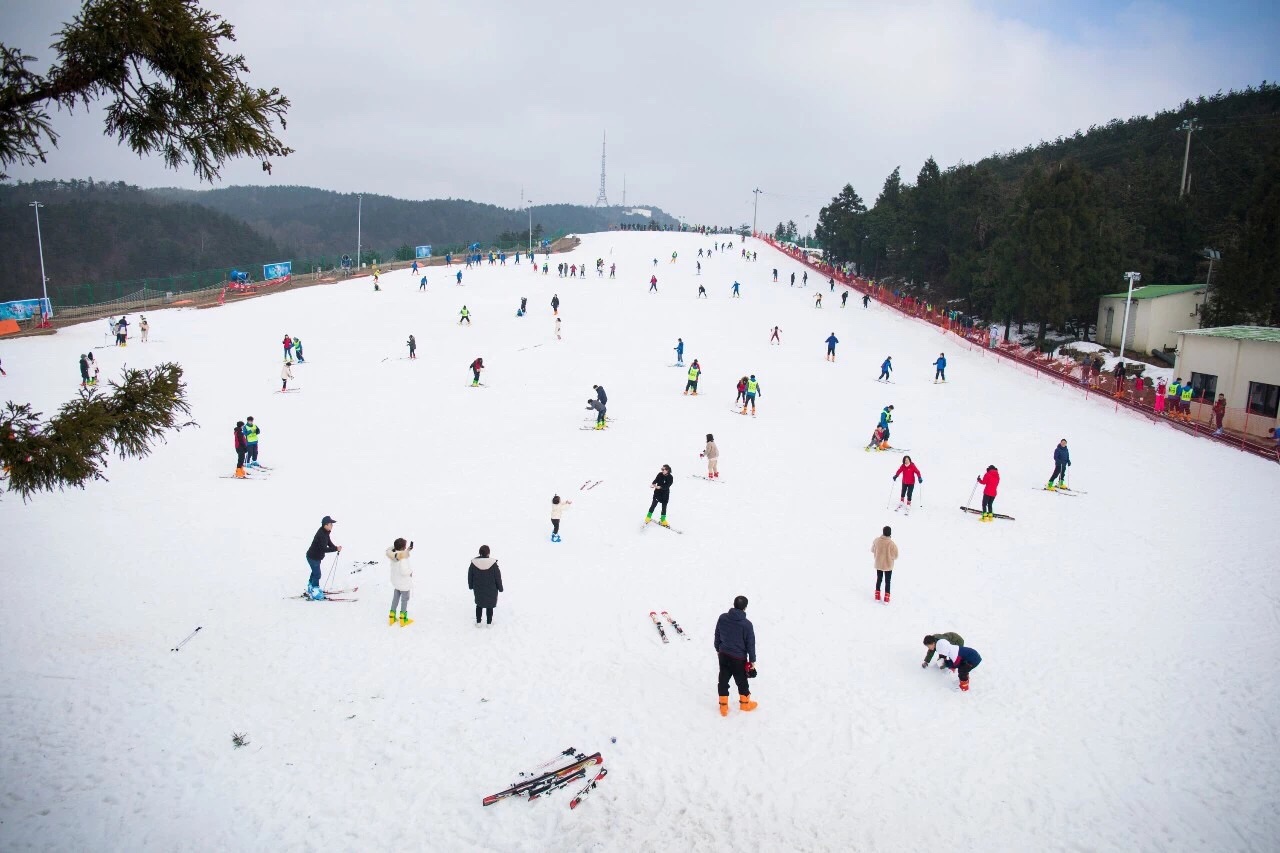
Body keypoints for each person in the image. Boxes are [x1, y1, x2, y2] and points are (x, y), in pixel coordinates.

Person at [714, 595, 758, 716]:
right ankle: (745, 704)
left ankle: (723, 707)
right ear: (745, 608)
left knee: (723, 679)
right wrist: (752, 660)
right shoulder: (747, 625)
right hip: (738, 659)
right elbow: (751, 644)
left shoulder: (722, 618)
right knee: (742, 681)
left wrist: (718, 648)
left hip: (723, 655)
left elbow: (717, 634)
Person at [305, 516, 342, 599]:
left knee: (315, 572)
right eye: (330, 524)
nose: (332, 525)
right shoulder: (321, 534)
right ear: (325, 525)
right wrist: (335, 549)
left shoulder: (325, 532)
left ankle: (311, 587)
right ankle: (315, 591)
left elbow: (328, 542)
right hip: (312, 557)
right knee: (317, 574)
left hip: (316, 557)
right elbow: (323, 549)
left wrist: (335, 547)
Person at [468, 545, 503, 626]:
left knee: (479, 605)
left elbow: (470, 576)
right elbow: (498, 577)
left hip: (478, 589)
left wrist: (471, 586)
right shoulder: (493, 564)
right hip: (491, 589)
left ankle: (479, 622)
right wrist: (500, 588)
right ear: (488, 553)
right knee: (489, 606)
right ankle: (489, 623)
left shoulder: (474, 563)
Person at [386, 538, 414, 626]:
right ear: (402, 548)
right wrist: (410, 572)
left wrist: (407, 550)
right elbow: (404, 571)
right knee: (404, 600)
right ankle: (403, 619)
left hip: (396, 582)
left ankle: (392, 617)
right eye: (405, 546)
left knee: (395, 598)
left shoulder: (394, 555)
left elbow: (400, 554)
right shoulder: (403, 559)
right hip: (404, 583)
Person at [871, 525, 899, 603]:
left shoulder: (877, 540)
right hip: (888, 565)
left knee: (879, 579)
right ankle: (886, 598)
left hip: (879, 564)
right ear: (890, 533)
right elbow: (896, 556)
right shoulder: (892, 544)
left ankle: (877, 596)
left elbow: (872, 550)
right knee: (887, 581)